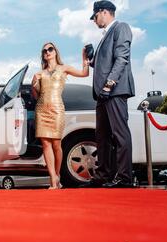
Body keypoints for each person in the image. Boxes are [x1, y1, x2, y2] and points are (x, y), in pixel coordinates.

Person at [88, 0, 135, 187]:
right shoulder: (104, 36)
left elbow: (122, 58)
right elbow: (104, 63)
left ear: (105, 12)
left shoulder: (121, 27)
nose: (94, 20)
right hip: (102, 94)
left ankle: (124, 178)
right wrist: (92, 58)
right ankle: (103, 176)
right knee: (102, 137)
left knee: (119, 134)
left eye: (95, 16)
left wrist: (109, 84)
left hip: (114, 90)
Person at [32, 42, 90, 189]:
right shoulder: (39, 74)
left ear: (55, 52)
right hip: (42, 110)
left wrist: (85, 60)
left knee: (57, 144)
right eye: (44, 50)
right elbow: (36, 96)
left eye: (50, 49)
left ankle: (57, 175)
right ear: (43, 55)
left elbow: (84, 74)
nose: (47, 52)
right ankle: (52, 179)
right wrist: (34, 85)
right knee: (46, 144)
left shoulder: (64, 69)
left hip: (57, 109)